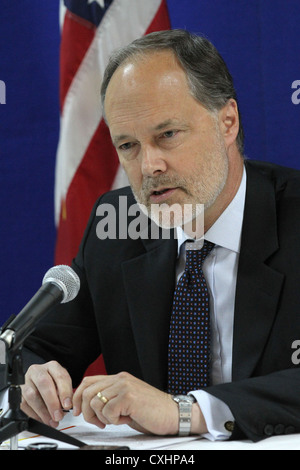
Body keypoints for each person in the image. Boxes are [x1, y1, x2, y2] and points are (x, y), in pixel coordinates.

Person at [6, 29, 300, 442]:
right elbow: (35, 349)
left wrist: (184, 411)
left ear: (227, 121)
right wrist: (34, 376)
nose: (149, 166)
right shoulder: (117, 225)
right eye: (128, 145)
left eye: (167, 135)